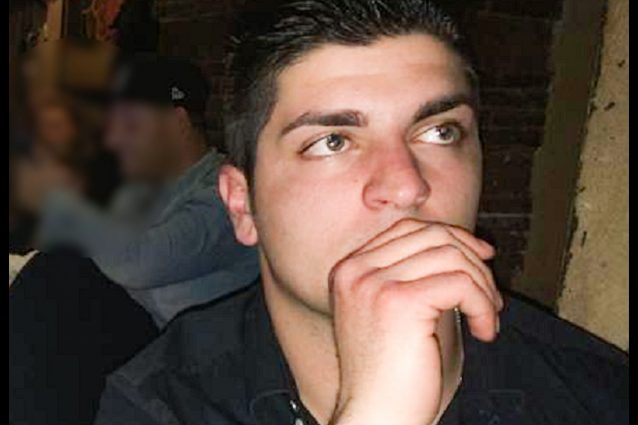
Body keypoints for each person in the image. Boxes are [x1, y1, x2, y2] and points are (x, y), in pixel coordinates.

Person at [94, 2, 629, 424]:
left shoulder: (596, 395)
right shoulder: (164, 404)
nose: (406, 185)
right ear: (242, 204)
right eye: (331, 141)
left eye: (440, 132)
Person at [32, 56, 259, 327]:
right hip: (153, 338)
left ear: (178, 123)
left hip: (210, 349)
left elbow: (135, 261)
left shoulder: (224, 196)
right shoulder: (146, 188)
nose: (115, 139)